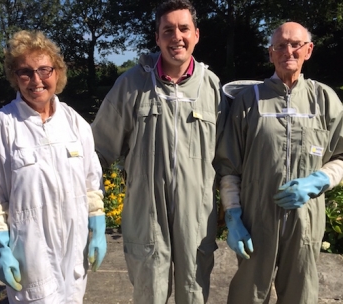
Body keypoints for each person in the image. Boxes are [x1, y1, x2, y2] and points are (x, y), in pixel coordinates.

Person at [91, 0, 228, 303]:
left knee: (194, 291)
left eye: (183, 29)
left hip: (196, 216)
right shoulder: (131, 84)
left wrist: (232, 209)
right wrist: (90, 208)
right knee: (149, 292)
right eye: (167, 30)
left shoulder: (212, 88)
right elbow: (98, 151)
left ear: (196, 34)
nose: (176, 37)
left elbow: (227, 159)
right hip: (146, 213)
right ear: (157, 37)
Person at [0, 30, 107, 304]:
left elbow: (92, 181)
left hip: (74, 246)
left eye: (45, 69)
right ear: (15, 77)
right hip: (29, 254)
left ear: (57, 73)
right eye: (26, 72)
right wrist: (0, 246)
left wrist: (98, 226)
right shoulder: (3, 124)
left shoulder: (75, 122)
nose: (36, 80)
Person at [217, 21, 343, 303]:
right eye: (280, 45)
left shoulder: (325, 100)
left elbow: (341, 156)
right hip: (254, 221)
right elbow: (229, 166)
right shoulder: (249, 100)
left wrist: (318, 180)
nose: (289, 51)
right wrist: (233, 216)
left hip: (306, 222)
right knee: (247, 295)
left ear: (308, 50)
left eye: (296, 44)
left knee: (301, 295)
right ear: (271, 53)